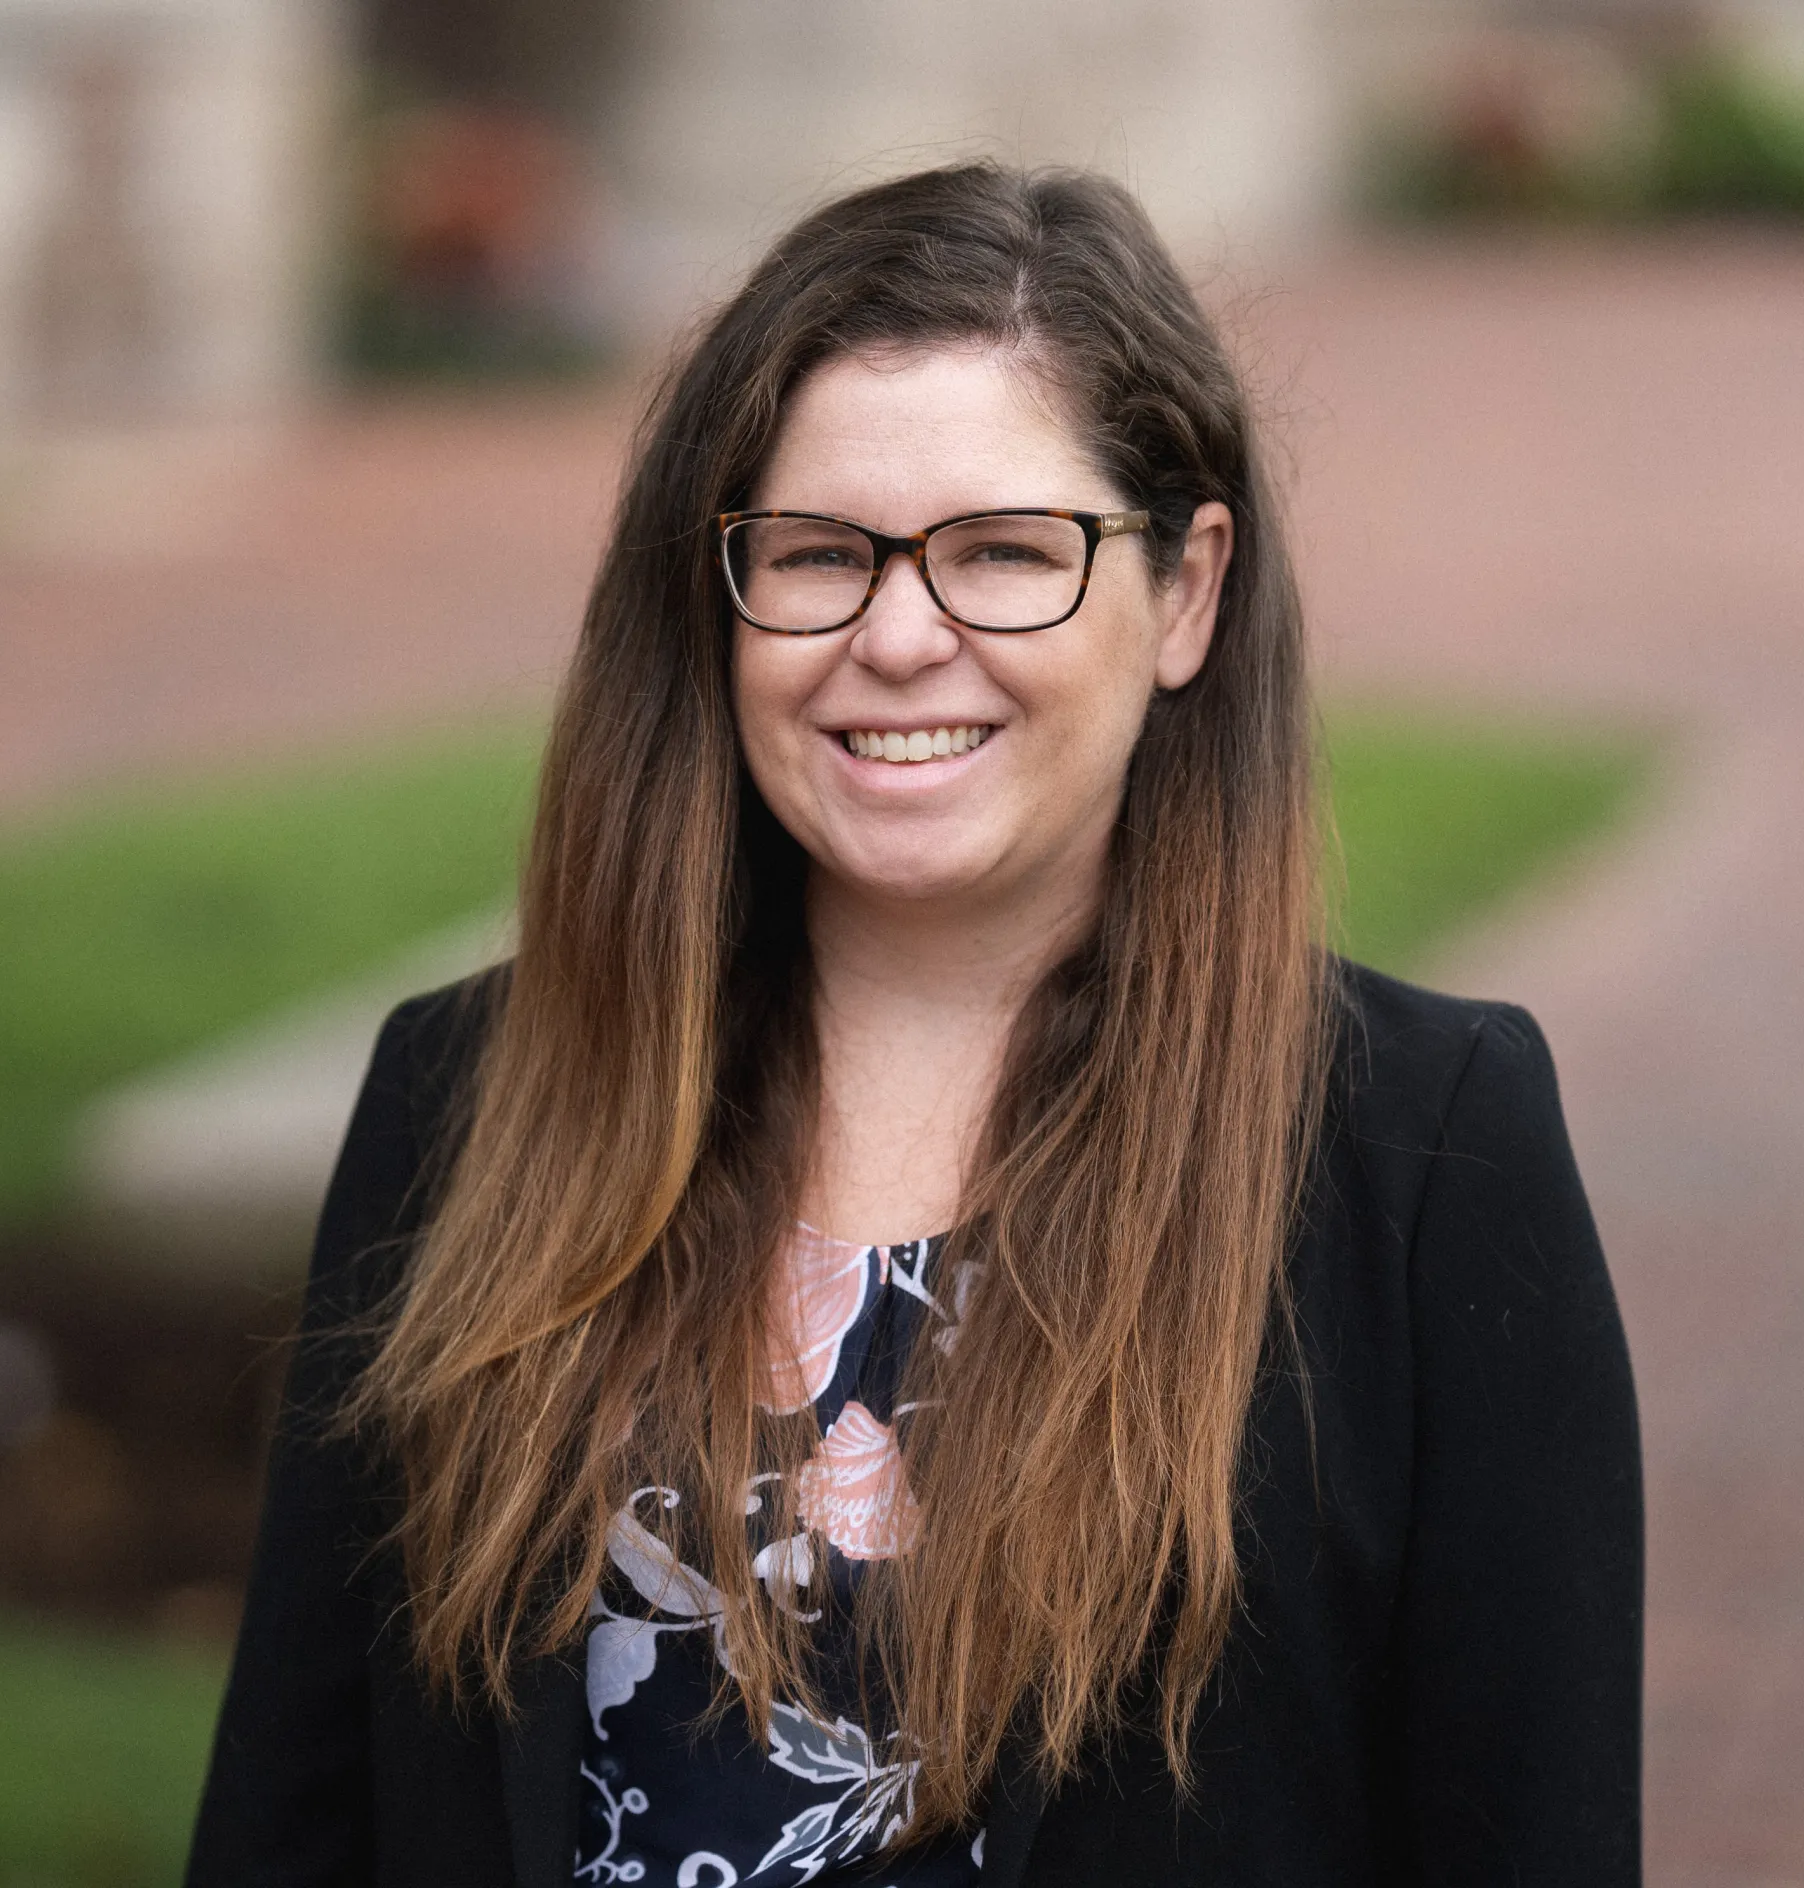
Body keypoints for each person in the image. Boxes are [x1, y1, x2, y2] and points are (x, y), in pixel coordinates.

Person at [186, 163, 1642, 1888]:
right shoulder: (464, 1100)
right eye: (817, 556)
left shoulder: (1427, 1153)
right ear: (717, 600)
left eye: (1006, 554)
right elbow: (294, 1828)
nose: (897, 636)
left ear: (1185, 596)